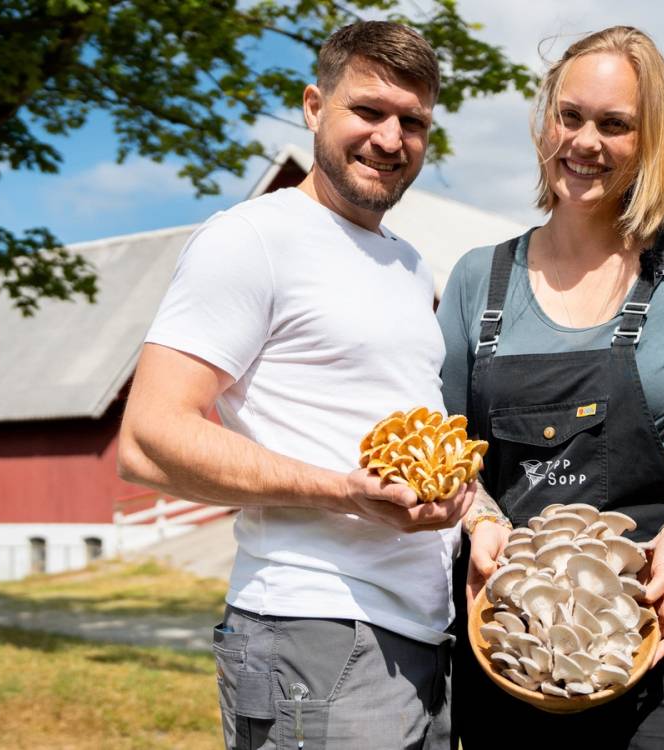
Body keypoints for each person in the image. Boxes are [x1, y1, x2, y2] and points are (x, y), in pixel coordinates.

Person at [118, 21, 477, 750]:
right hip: (315, 629)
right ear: (314, 107)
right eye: (368, 110)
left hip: (424, 637)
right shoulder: (251, 237)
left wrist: (479, 516)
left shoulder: (409, 265)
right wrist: (344, 492)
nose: (390, 138)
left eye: (412, 122)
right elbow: (148, 437)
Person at [438, 26, 664, 749]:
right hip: (513, 634)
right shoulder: (479, 279)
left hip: (661, 626)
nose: (585, 142)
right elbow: (446, 455)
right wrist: (478, 519)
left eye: (614, 124)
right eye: (570, 116)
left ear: (651, 139)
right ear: (544, 123)